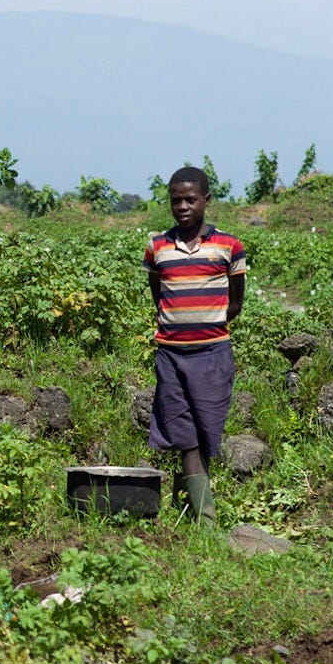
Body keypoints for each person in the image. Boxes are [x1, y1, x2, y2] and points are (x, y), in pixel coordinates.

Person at [142, 166, 247, 526]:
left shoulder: (228, 246)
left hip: (212, 353)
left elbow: (236, 302)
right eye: (176, 200)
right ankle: (206, 517)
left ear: (206, 200)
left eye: (190, 199)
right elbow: (160, 296)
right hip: (171, 353)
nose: (182, 206)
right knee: (184, 432)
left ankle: (189, 493)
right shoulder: (157, 247)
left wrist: (207, 323)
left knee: (207, 427)